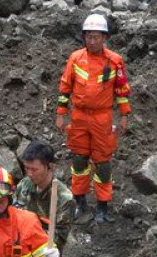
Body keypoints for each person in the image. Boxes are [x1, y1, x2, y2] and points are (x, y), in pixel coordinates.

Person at [55, 14, 132, 220]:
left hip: (102, 118)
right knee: (79, 160)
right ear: (84, 37)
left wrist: (124, 116)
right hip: (79, 117)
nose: (92, 40)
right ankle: (80, 202)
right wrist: (61, 114)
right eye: (89, 36)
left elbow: (122, 91)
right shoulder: (75, 58)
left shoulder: (114, 61)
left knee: (103, 163)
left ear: (104, 38)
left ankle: (102, 207)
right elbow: (65, 87)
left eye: (96, 37)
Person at [13, 141, 75, 252]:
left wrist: (28, 231)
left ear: (49, 167)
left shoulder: (64, 199)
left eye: (34, 169)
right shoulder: (24, 185)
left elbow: (58, 240)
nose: (29, 173)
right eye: (26, 168)